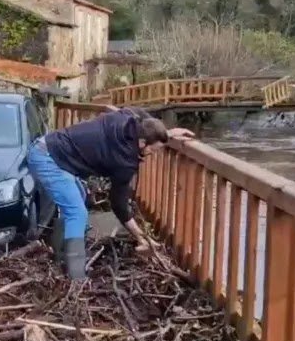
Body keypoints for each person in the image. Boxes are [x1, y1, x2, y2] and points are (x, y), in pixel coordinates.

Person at [27, 107, 194, 280]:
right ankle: (76, 277)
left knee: (78, 199)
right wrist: (141, 237)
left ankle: (61, 255)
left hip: (51, 145)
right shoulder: (124, 160)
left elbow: (142, 116)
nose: (153, 154)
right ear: (142, 143)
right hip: (47, 159)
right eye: (154, 150)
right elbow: (118, 203)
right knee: (76, 212)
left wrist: (164, 133)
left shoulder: (128, 118)